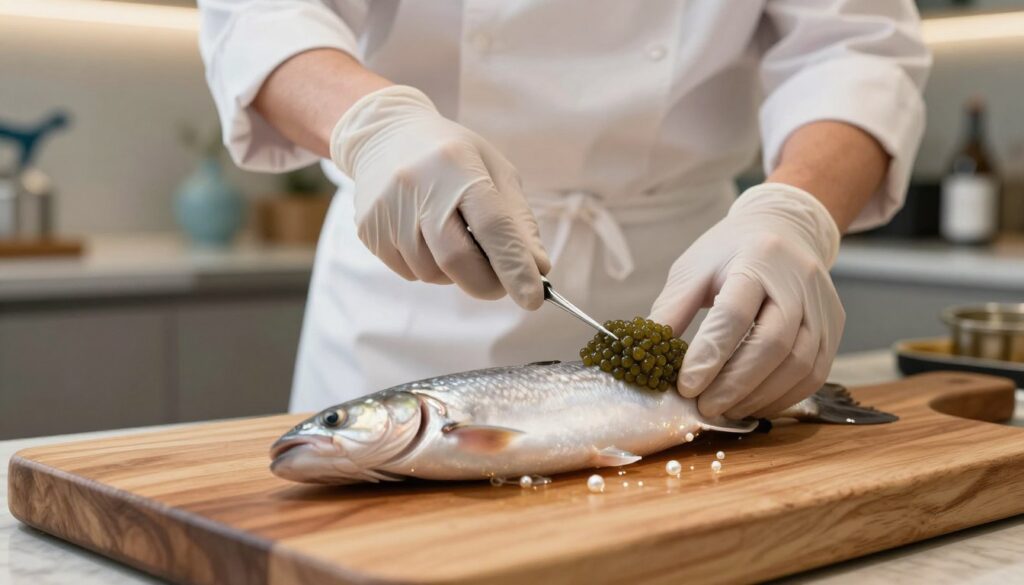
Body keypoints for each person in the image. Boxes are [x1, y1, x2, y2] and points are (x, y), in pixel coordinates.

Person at [198, 1, 930, 418]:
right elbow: (266, 14)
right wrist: (374, 126)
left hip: (686, 289)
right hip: (410, 286)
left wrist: (795, 207)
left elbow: (855, 48)